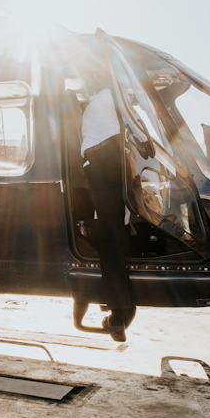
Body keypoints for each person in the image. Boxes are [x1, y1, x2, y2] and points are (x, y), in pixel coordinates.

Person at [81, 82, 136, 341]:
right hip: (106, 161)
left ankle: (120, 312)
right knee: (114, 234)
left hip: (104, 159)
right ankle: (119, 313)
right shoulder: (112, 95)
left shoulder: (101, 101)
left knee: (115, 231)